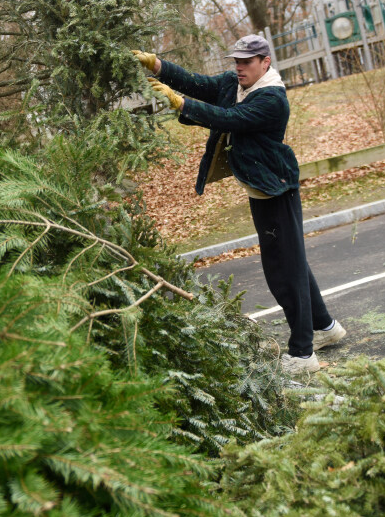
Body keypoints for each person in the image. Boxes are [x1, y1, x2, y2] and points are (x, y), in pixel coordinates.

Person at [132, 36, 345, 376]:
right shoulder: (236, 83)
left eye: (247, 62)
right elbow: (200, 84)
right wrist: (158, 66)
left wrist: (181, 104)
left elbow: (230, 118)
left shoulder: (272, 98)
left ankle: (303, 354)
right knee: (293, 264)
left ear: (265, 62)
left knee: (284, 272)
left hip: (276, 191)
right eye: (237, 61)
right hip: (263, 187)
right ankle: (326, 327)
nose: (239, 67)